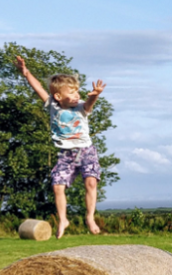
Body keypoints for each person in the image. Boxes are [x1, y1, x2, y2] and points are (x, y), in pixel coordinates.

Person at [15, 56, 106, 239]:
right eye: (71, 93)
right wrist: (26, 73)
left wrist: (95, 94)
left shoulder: (81, 108)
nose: (77, 96)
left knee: (91, 182)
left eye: (77, 92)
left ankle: (89, 217)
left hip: (85, 150)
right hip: (66, 154)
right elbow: (38, 88)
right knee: (57, 186)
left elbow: (90, 103)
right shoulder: (52, 106)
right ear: (58, 96)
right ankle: (63, 219)